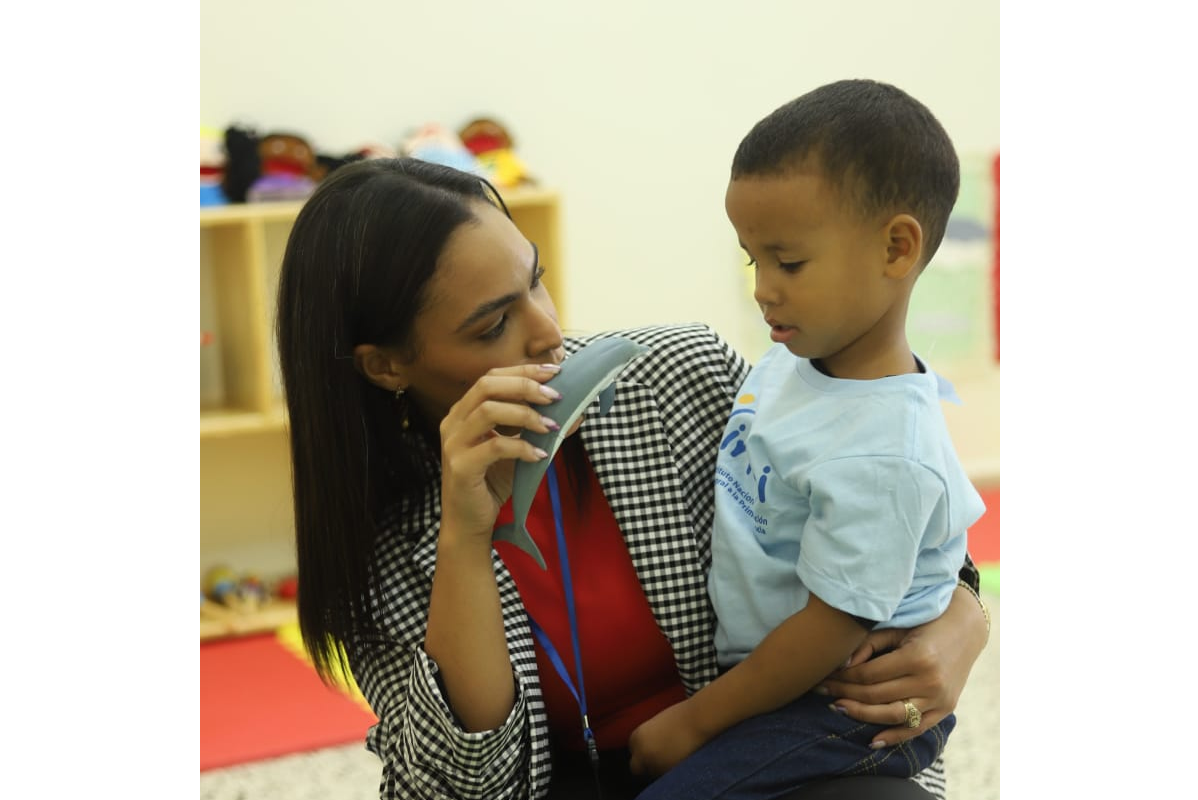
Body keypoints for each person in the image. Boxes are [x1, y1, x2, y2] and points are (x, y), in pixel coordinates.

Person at [274, 154, 992, 800]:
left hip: (757, 752)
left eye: (536, 283)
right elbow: (470, 786)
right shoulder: (379, 538)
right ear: (386, 365)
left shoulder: (679, 378)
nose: (548, 332)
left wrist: (964, 618)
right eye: (493, 325)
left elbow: (883, 506)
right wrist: (465, 536)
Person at [627, 79, 990, 800]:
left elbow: (828, 631)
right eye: (751, 258)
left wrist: (695, 723)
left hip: (837, 705)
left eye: (787, 263)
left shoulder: (884, 450)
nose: (763, 287)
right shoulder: (792, 361)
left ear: (895, 248)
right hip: (776, 678)